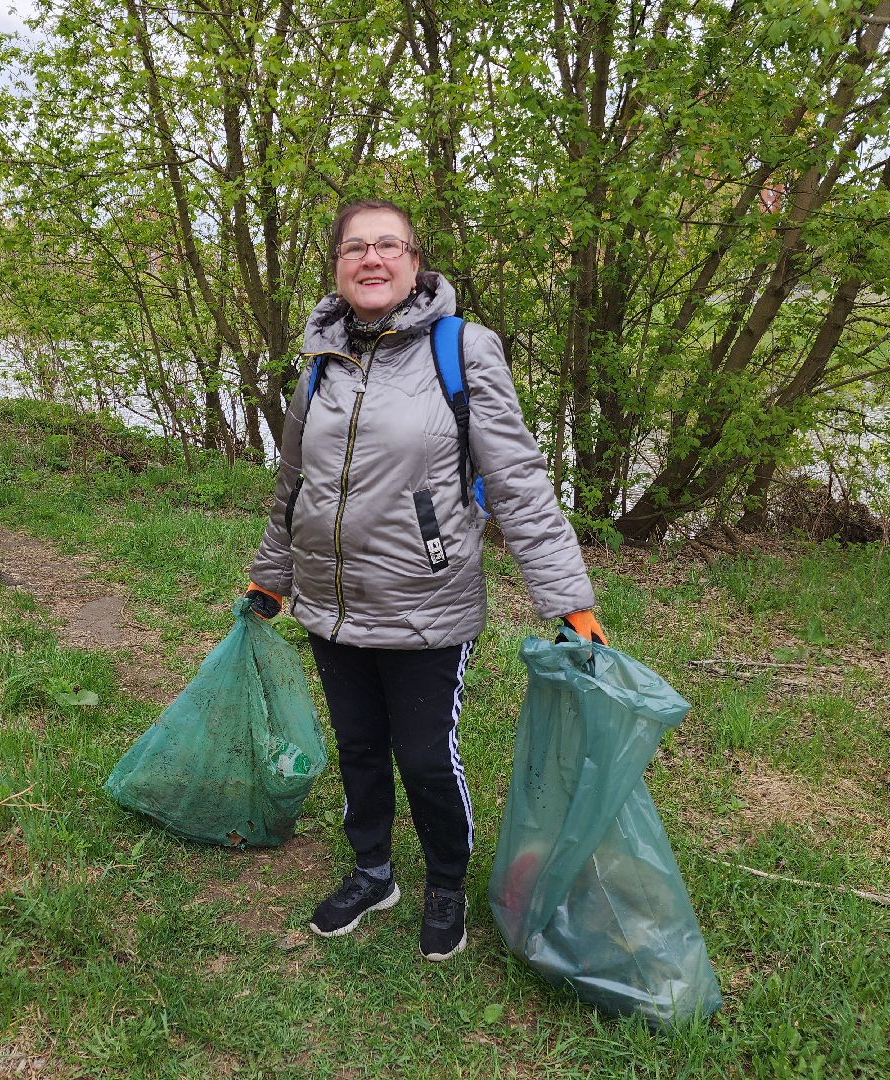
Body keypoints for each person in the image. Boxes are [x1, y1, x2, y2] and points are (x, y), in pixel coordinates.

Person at [245, 199, 607, 963]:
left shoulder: (463, 349)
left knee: (424, 754)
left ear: (414, 263)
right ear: (337, 265)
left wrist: (567, 598)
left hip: (425, 600)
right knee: (359, 747)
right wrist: (271, 579)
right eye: (354, 247)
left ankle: (445, 879)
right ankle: (373, 871)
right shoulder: (318, 364)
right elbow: (293, 485)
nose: (370, 259)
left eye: (387, 246)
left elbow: (517, 480)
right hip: (332, 604)